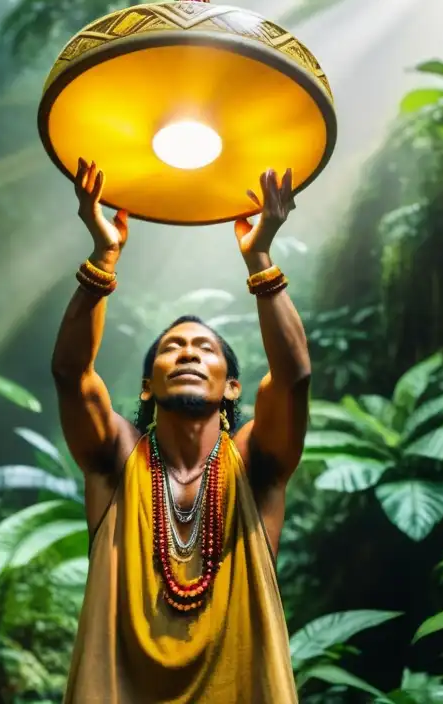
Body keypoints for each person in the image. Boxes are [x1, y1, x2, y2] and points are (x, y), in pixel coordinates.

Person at [52, 158, 311, 703]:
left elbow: (294, 376)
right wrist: (104, 255)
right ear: (147, 386)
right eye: (172, 347)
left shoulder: (257, 464)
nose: (188, 351)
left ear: (232, 389)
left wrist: (260, 258)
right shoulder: (115, 457)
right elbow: (71, 374)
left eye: (205, 349)